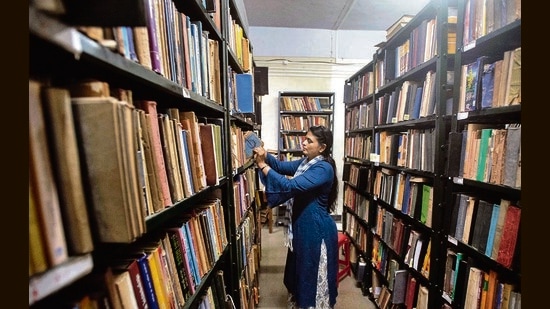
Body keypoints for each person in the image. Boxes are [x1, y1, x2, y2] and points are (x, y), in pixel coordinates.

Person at [253, 125, 339, 309]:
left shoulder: (323, 168)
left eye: (309, 140)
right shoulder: (305, 163)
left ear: (322, 147)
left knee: (311, 275)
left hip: (316, 232)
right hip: (302, 228)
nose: (304, 142)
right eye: (305, 138)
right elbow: (280, 166)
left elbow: (291, 186)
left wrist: (262, 165)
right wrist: (265, 154)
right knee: (299, 272)